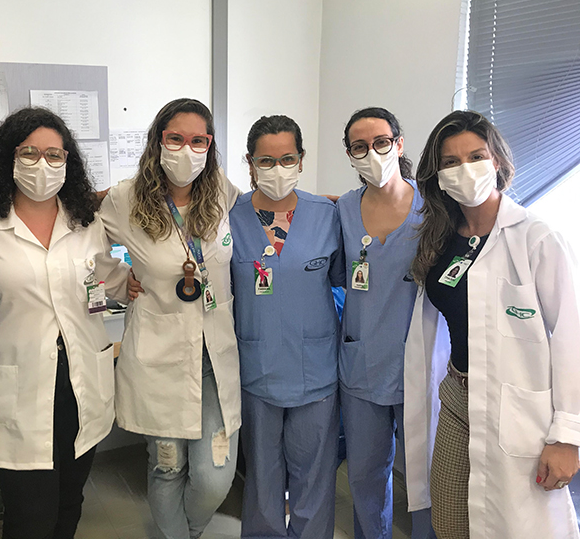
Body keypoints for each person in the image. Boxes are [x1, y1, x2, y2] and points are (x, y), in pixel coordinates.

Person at [0, 107, 130, 538]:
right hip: (17, 394)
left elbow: (111, 279)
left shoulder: (86, 222)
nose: (43, 164)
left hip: (80, 388)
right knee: (30, 518)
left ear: (68, 162)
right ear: (8, 158)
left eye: (54, 155)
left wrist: (153, 277)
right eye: (29, 153)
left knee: (69, 505)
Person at [404, 110, 580, 539]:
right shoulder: (442, 238)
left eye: (476, 156)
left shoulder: (535, 238)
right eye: (450, 162)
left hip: (517, 408)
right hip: (456, 396)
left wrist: (567, 437)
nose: (465, 169)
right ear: (437, 175)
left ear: (496, 161)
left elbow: (572, 336)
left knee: (513, 527)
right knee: (449, 522)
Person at [99, 98, 240, 539]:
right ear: (158, 141)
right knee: (167, 467)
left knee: (214, 476)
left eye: (198, 141)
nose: (187, 150)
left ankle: (185, 532)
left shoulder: (220, 191)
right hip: (157, 356)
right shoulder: (125, 199)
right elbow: (84, 245)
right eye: (176, 138)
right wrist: (118, 281)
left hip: (214, 356)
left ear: (210, 146)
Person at [229, 115, 345, 538]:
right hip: (256, 367)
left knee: (314, 477)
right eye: (266, 160)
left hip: (315, 368)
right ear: (250, 163)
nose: (277, 169)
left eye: (287, 159)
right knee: (262, 477)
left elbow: (342, 281)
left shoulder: (326, 215)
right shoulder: (229, 218)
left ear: (301, 159)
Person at [336, 107, 435, 539]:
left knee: (425, 478)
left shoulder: (433, 207)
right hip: (362, 364)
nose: (372, 153)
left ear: (398, 144)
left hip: (419, 366)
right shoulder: (342, 209)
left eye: (381, 142)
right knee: (365, 475)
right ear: (349, 154)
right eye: (360, 147)